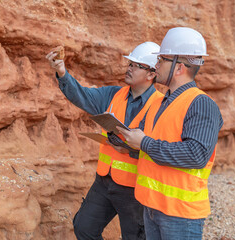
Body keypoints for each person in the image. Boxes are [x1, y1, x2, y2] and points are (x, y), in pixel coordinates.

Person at [46, 42, 164, 240]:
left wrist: (133, 149)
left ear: (151, 74)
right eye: (130, 64)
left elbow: (161, 148)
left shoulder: (160, 106)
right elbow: (82, 95)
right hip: (104, 181)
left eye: (136, 65)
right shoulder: (112, 95)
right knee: (84, 228)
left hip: (134, 188)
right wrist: (61, 71)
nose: (129, 68)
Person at [117, 27, 224, 239]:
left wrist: (144, 143)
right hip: (152, 207)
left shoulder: (201, 104)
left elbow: (196, 155)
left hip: (180, 215)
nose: (155, 65)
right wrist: (129, 145)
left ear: (179, 68)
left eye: (161, 60)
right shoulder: (161, 102)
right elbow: (154, 146)